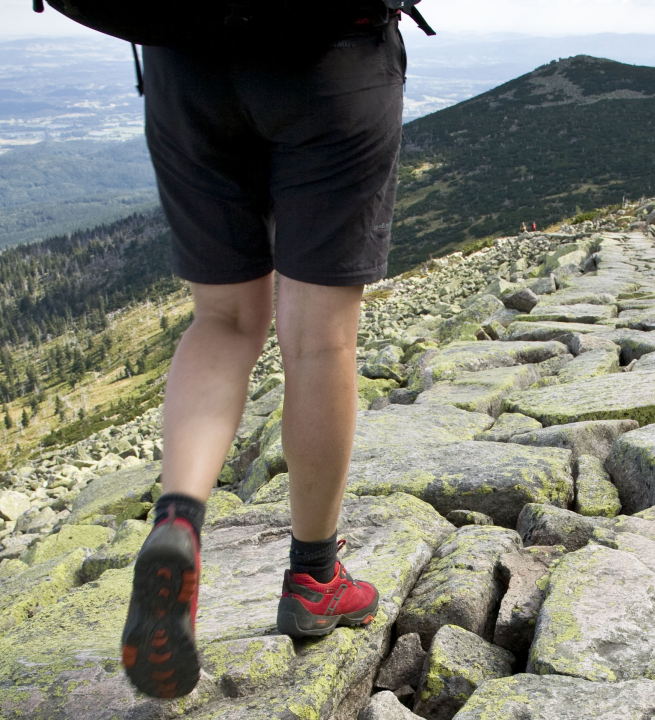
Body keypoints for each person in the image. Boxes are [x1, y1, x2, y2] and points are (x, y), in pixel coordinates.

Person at [116, 3, 411, 699]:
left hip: (186, 62)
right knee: (318, 338)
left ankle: (180, 522)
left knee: (221, 318)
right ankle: (314, 576)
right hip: (328, 57)